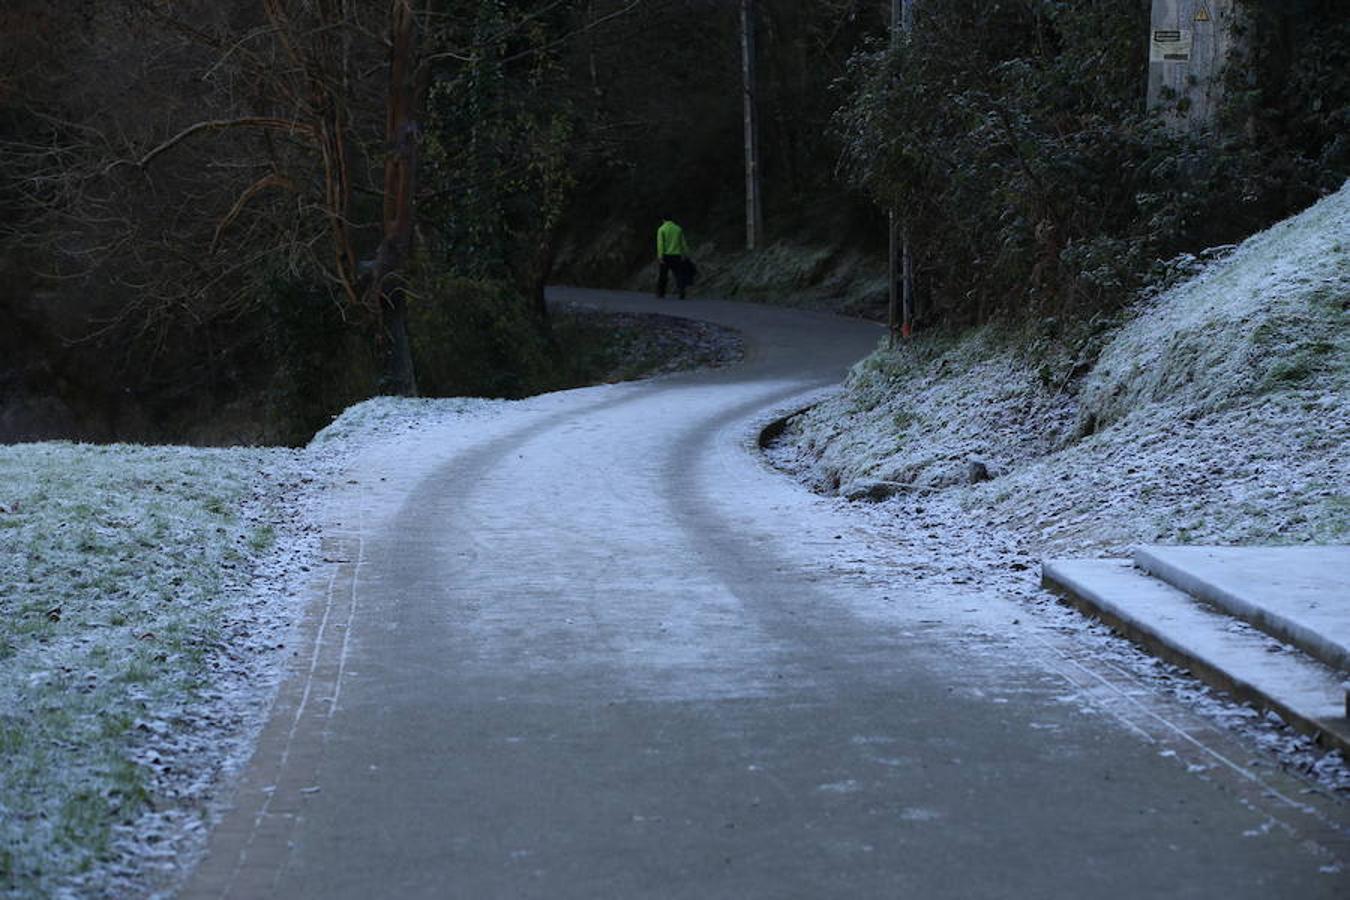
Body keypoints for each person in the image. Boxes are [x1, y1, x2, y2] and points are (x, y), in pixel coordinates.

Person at [655, 215, 690, 299]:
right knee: (679, 274)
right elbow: (683, 242)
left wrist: (660, 256)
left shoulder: (662, 229)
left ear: (663, 220)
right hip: (676, 255)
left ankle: (661, 293)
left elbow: (660, 244)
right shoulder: (678, 229)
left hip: (666, 256)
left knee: (663, 275)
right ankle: (681, 291)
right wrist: (686, 253)